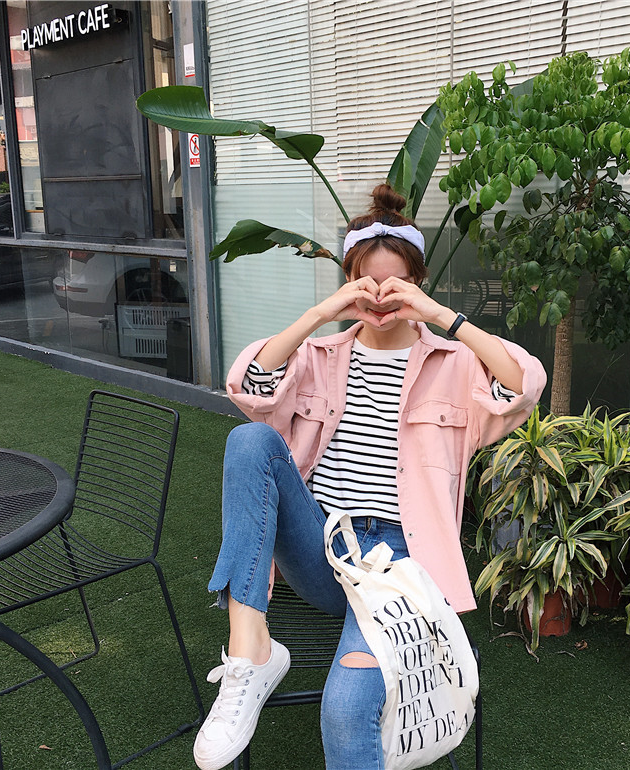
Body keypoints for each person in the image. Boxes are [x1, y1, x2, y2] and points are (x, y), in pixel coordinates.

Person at [193, 184, 546, 770]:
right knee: (249, 441)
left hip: (400, 567)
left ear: (418, 283)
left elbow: (522, 386)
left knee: (346, 711)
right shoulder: (318, 356)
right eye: (366, 284)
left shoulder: (456, 364)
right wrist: (321, 314)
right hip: (321, 547)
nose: (381, 300)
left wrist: (441, 317)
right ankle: (251, 651)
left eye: (397, 286)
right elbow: (249, 387)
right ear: (349, 282)